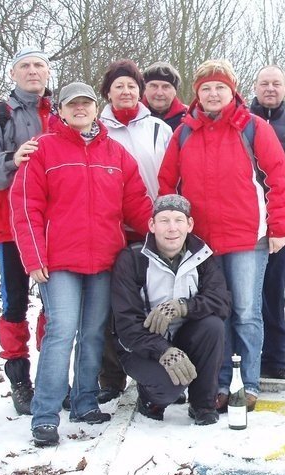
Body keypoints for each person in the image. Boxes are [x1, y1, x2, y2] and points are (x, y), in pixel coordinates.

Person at [10, 82, 153, 447]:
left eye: (86, 103)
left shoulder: (116, 153)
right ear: (60, 110)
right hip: (59, 261)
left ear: (95, 108)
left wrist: (164, 233)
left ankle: (85, 401)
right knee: (61, 332)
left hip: (105, 259)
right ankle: (44, 415)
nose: (80, 109)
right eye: (73, 104)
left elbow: (136, 202)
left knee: (93, 333)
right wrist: (33, 257)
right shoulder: (43, 150)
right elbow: (26, 208)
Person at [158, 59, 285, 412]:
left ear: (231, 90)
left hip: (248, 239)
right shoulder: (184, 133)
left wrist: (279, 227)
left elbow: (278, 178)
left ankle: (248, 383)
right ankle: (220, 382)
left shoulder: (253, 129)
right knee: (214, 316)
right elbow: (166, 184)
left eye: (219, 87)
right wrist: (170, 230)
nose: (213, 94)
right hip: (202, 243)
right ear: (197, 94)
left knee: (247, 313)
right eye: (206, 88)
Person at [0, 46, 55, 416]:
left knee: (55, 307)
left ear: (48, 73)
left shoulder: (63, 112)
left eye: (39, 65)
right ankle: (20, 379)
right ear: (14, 74)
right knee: (15, 304)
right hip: (10, 227)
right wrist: (11, 160)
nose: (33, 71)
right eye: (25, 66)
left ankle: (52, 378)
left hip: (55, 228)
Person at [111, 195, 231, 425]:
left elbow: (220, 301)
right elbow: (126, 323)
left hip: (185, 337)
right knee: (170, 386)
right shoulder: (133, 259)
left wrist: (183, 307)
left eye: (178, 220)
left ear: (190, 224)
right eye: (164, 220)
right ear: (152, 225)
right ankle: (150, 400)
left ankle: (202, 405)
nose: (172, 228)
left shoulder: (202, 256)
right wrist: (163, 350)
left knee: (213, 326)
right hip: (142, 346)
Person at [98, 59, 173, 403]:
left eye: (131, 86)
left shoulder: (158, 128)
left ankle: (154, 372)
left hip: (152, 225)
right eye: (118, 87)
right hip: (110, 226)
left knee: (152, 301)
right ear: (108, 92)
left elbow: (171, 176)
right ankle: (111, 377)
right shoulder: (96, 127)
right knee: (112, 306)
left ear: (139, 90)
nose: (126, 92)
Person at [250, 65, 285, 381]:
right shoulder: (241, 123)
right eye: (264, 83)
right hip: (247, 222)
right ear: (255, 87)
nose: (270, 88)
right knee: (246, 297)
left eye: (276, 83)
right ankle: (244, 359)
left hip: (280, 220)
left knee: (274, 293)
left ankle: (275, 363)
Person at [143, 61, 188, 131]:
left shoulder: (189, 118)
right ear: (144, 89)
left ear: (175, 91)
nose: (159, 93)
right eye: (154, 86)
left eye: (165, 87)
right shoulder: (133, 118)